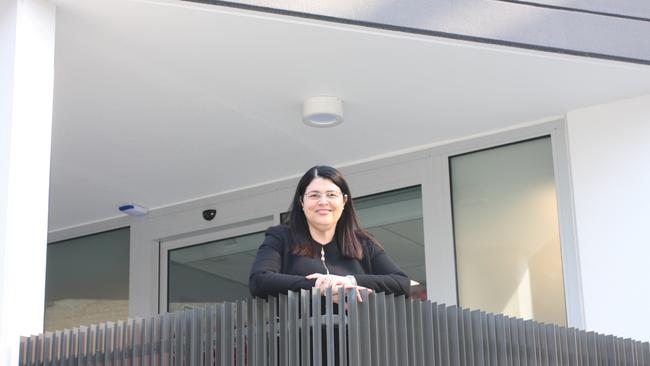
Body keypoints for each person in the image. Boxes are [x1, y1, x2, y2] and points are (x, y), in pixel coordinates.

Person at [249, 165, 410, 302]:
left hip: (356, 337)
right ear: (301, 202)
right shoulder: (280, 237)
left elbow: (401, 283)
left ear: (344, 201)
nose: (323, 201)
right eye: (314, 195)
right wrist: (320, 286)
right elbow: (259, 280)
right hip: (299, 337)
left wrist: (348, 281)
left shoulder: (362, 242)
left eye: (331, 195)